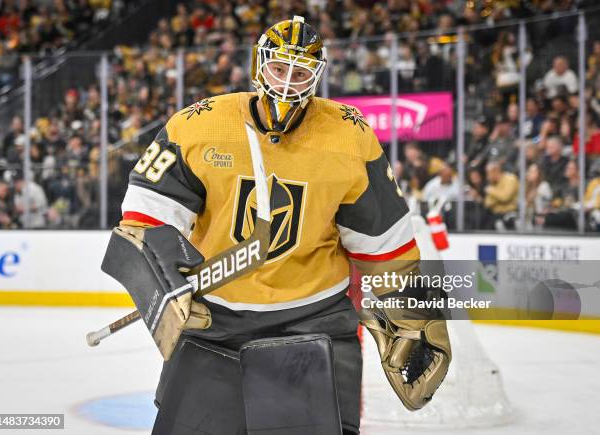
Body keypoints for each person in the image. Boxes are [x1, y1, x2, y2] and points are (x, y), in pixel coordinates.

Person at [106, 16, 450, 435]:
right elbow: (144, 220)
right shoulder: (199, 124)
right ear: (259, 65)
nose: (288, 81)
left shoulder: (350, 136)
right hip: (216, 323)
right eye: (279, 68)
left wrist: (412, 315)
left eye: (301, 71)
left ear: (317, 76)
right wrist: (163, 284)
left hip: (313, 323)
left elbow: (386, 245)